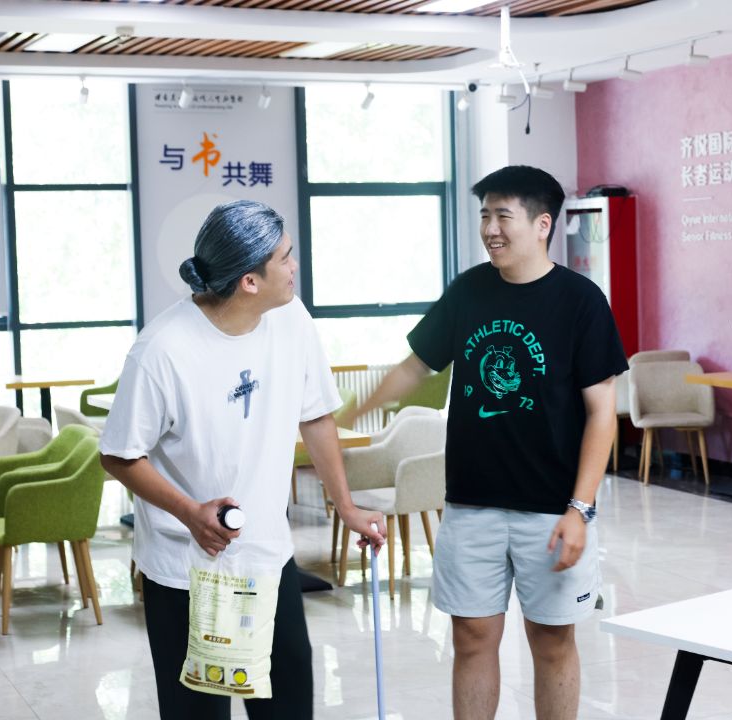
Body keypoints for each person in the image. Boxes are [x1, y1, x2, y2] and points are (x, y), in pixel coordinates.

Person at [352, 165, 626, 719]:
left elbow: (602, 415)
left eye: (503, 216)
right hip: (472, 504)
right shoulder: (469, 291)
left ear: (542, 224)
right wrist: (354, 411)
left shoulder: (581, 301)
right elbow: (416, 366)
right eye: (484, 216)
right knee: (473, 637)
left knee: (552, 640)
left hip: (552, 508)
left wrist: (580, 508)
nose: (490, 229)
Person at [99, 200, 385, 720]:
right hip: (187, 572)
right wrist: (191, 513)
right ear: (250, 281)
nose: (295, 266)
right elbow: (119, 455)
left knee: (287, 707)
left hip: (267, 559)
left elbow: (316, 416)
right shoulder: (162, 350)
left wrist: (345, 506)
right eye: (285, 257)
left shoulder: (291, 318)